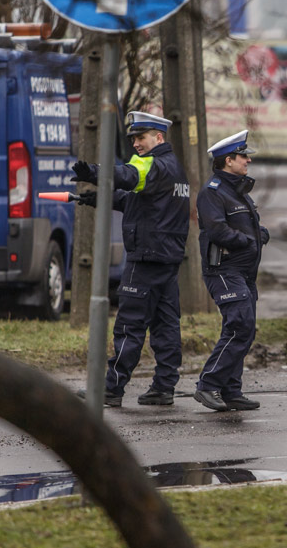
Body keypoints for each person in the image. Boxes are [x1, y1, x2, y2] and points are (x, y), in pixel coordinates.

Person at [72, 111, 190, 408]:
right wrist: (99, 197)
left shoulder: (151, 165)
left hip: (146, 258)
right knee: (166, 326)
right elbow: (136, 200)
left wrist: (96, 172)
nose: (136, 143)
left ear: (158, 137)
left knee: (130, 325)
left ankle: (111, 389)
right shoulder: (173, 167)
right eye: (134, 139)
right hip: (167, 259)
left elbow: (128, 175)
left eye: (141, 137)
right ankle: (164, 388)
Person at [192, 130, 269, 412]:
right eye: (243, 156)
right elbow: (217, 229)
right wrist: (248, 241)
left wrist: (259, 233)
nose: (248, 160)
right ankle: (208, 385)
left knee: (244, 330)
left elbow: (242, 224)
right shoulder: (212, 192)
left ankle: (231, 390)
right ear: (228, 160)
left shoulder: (235, 190)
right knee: (240, 325)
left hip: (243, 273)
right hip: (224, 270)